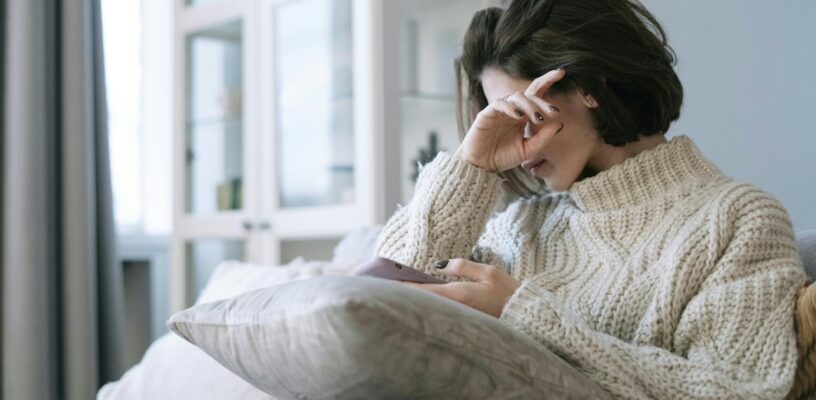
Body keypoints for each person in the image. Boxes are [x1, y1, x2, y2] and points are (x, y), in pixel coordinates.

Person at [374, 0, 809, 398]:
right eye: (500, 118)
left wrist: (524, 314)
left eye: (521, 112)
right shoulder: (518, 227)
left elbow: (736, 391)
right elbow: (377, 310)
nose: (516, 143)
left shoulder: (737, 218)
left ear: (589, 87)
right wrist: (472, 165)